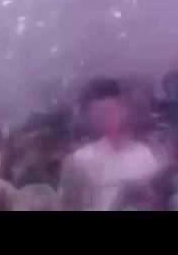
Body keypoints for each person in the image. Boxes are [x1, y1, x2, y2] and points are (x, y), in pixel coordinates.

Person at [59, 78, 161, 211]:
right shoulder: (80, 159)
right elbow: (67, 204)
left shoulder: (144, 154)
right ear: (89, 116)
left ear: (123, 109)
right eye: (98, 112)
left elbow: (157, 199)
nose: (106, 117)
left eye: (110, 110)